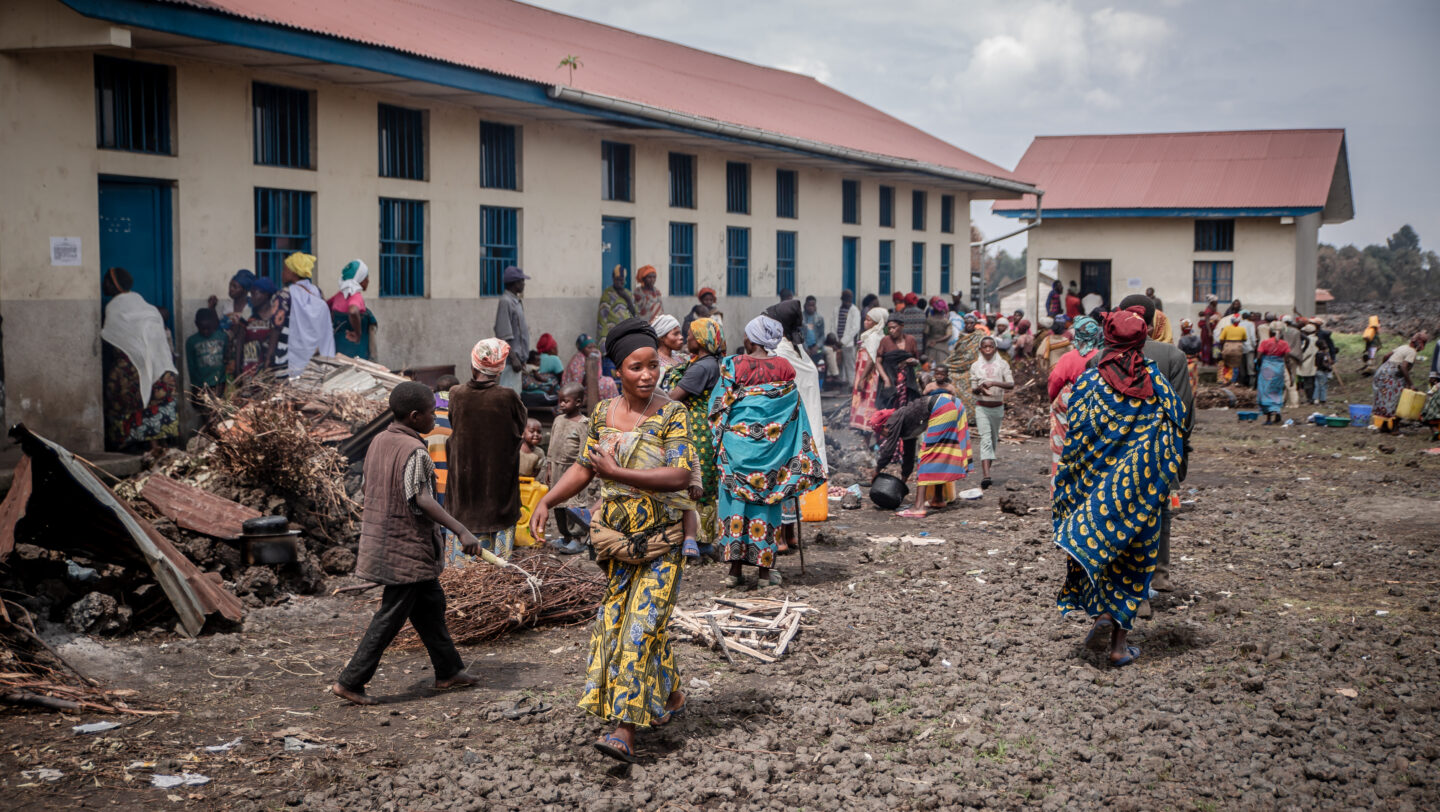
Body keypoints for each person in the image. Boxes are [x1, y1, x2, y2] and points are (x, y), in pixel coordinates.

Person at [528, 317, 696, 763]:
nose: (646, 375)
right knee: (622, 624)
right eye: (635, 368)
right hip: (617, 545)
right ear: (617, 371)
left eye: (653, 366)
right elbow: (584, 467)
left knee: (637, 631)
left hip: (662, 543)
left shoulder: (671, 413)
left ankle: (624, 728)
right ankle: (673, 695)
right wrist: (549, 499)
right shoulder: (602, 414)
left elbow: (680, 474)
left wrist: (618, 473)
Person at [331, 381, 481, 705]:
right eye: (432, 413)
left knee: (431, 605)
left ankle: (449, 671)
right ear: (415, 416)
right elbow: (423, 499)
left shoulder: (379, 441)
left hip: (383, 538)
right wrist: (461, 530)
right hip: (405, 546)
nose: (435, 418)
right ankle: (350, 681)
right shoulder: (415, 451)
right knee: (391, 616)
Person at [1054, 307, 1185, 668]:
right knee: (1133, 560)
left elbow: (1074, 437)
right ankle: (1118, 644)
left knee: (1103, 555)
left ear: (1107, 338)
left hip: (1096, 491)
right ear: (1143, 340)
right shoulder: (1156, 383)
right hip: (1141, 491)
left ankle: (1100, 616)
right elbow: (1178, 423)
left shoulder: (1089, 382)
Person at [710, 315, 826, 589]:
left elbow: (718, 406)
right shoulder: (784, 368)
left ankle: (734, 572)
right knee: (766, 506)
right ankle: (764, 575)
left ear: (750, 339)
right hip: (773, 454)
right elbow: (792, 407)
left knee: (735, 506)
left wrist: (725, 437)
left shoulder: (733, 365)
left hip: (737, 452)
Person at [446, 338, 528, 561]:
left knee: (462, 577)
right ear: (499, 370)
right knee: (496, 576)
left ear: (472, 366)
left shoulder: (456, 394)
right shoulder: (508, 397)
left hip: (463, 494)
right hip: (498, 494)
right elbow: (521, 426)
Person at [766, 299, 828, 552]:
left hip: (784, 422)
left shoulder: (778, 350)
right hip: (799, 423)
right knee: (790, 477)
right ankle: (790, 534)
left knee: (778, 478)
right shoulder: (796, 346)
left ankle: (780, 537)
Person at [663, 318, 726, 555]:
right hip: (708, 425)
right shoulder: (712, 363)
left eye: (690, 335)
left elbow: (673, 397)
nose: (687, 339)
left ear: (699, 340)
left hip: (697, 429)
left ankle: (700, 541)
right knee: (706, 483)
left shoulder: (701, 367)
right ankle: (703, 538)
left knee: (697, 483)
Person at [101, 267, 179, 452]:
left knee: (121, 394)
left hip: (130, 367)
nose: (103, 285)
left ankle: (135, 445)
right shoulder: (143, 304)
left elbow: (112, 337)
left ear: (113, 284)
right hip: (160, 366)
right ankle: (158, 446)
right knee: (155, 398)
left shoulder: (114, 307)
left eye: (106, 281)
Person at [896, 373, 970, 518]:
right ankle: (938, 498)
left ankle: (918, 507)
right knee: (941, 453)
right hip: (955, 404)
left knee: (927, 456)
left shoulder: (912, 408)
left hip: (945, 407)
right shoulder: (925, 397)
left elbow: (910, 436)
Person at [1047, 316, 1102, 491]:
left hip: (1068, 405)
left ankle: (1061, 489)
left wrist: (1053, 400)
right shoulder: (1103, 357)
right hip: (1095, 405)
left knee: (1062, 447)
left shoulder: (1068, 358)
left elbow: (1054, 381)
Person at [541, 383, 593, 555]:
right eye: (560, 401)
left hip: (573, 470)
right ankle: (566, 537)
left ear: (578, 402)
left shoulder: (583, 424)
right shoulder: (558, 420)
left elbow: (584, 450)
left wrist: (583, 471)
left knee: (573, 505)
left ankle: (578, 539)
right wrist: (549, 467)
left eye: (566, 401)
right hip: (556, 469)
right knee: (558, 503)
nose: (561, 404)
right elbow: (551, 446)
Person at [278, 252, 335, 378]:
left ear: (293, 272)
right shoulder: (317, 292)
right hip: (317, 351)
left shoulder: (286, 295)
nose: (282, 273)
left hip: (295, 351)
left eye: (285, 270)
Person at [970, 336, 1013, 489]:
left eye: (990, 346)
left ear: (994, 348)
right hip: (982, 407)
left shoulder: (1002, 364)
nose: (988, 349)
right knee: (986, 438)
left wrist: (993, 383)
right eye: (984, 347)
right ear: (980, 349)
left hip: (997, 407)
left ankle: (988, 468)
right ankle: (986, 476)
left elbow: (1010, 384)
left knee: (993, 441)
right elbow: (973, 388)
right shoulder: (975, 366)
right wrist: (980, 388)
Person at [491, 265, 531, 394]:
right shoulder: (506, 301)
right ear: (514, 283)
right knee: (508, 396)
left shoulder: (516, 301)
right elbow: (503, 335)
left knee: (514, 396)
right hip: (510, 362)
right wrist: (513, 358)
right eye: (521, 281)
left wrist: (522, 358)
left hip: (517, 361)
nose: (523, 284)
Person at [329, 259, 377, 360]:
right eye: (366, 277)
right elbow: (353, 310)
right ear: (360, 279)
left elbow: (325, 306)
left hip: (338, 349)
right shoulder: (355, 296)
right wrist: (357, 334)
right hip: (356, 352)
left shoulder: (339, 295)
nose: (368, 280)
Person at [850, 307, 888, 433]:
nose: (865, 322)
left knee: (867, 404)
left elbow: (871, 359)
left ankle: (868, 433)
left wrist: (862, 379)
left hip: (868, 376)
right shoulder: (872, 335)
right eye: (865, 319)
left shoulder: (873, 337)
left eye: (869, 320)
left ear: (877, 323)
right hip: (865, 374)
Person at [424, 374, 459, 506]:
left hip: (428, 493)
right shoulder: (463, 419)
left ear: (434, 390)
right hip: (456, 493)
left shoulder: (422, 420)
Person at [1373, 333, 1425, 421]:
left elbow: (1386, 356)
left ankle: (1384, 426)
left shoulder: (1403, 347)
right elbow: (1403, 367)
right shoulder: (1412, 351)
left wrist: (1384, 368)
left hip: (1381, 372)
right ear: (1420, 344)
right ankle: (1394, 428)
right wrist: (1410, 384)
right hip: (1392, 376)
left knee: (1384, 399)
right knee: (1397, 399)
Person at [185, 307, 228, 413]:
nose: (205, 331)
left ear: (213, 324)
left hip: (220, 385)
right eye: (202, 328)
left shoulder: (222, 337)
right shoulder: (191, 342)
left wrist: (223, 384)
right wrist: (197, 388)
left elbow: (227, 360)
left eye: (208, 328)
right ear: (196, 324)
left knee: (220, 413)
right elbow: (192, 367)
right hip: (202, 386)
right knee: (206, 414)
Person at [236, 277, 281, 376]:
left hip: (269, 367)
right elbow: (240, 340)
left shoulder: (276, 315)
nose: (251, 298)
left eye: (254, 294)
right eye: (251, 294)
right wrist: (237, 366)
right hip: (249, 366)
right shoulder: (248, 312)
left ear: (266, 294)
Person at [876, 315, 920, 412]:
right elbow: (878, 362)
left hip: (906, 379)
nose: (891, 331)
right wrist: (886, 379)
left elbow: (917, 361)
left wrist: (912, 361)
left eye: (894, 328)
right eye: (889, 328)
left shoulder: (911, 340)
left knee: (906, 405)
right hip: (890, 377)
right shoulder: (885, 341)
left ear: (902, 326)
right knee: (889, 404)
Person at [945, 313, 984, 422]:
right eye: (966, 323)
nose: (969, 325)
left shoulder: (980, 336)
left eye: (971, 323)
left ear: (975, 323)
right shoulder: (962, 336)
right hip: (960, 368)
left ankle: (972, 419)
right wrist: (948, 363)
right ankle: (959, 416)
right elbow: (957, 353)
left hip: (974, 369)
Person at [1256, 323, 1290, 424]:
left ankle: (1268, 418)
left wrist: (1259, 366)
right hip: (1279, 368)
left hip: (1267, 368)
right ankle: (1277, 413)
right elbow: (1287, 360)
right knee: (1276, 390)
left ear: (1270, 331)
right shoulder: (1285, 344)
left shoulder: (1265, 343)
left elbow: (1258, 357)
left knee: (1265, 391)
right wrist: (1291, 375)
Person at [596, 265, 636, 344]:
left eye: (621, 280)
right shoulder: (607, 294)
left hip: (626, 332)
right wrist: (603, 337)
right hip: (611, 332)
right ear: (613, 279)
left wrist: (627, 298)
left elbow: (634, 313)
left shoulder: (628, 294)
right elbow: (602, 318)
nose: (619, 282)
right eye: (617, 279)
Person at [834, 290, 861, 387]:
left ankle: (852, 384)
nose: (847, 303)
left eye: (849, 300)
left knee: (850, 365)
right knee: (839, 365)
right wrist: (835, 340)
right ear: (842, 300)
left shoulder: (855, 311)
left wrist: (843, 341)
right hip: (837, 342)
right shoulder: (837, 309)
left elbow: (855, 328)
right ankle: (843, 383)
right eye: (845, 300)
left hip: (848, 343)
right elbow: (833, 325)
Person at [1216, 314, 1248, 386]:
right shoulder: (1242, 329)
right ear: (1239, 321)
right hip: (1238, 347)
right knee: (1236, 365)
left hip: (1228, 346)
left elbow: (1221, 339)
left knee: (1227, 364)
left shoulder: (1226, 328)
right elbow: (1245, 339)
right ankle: (1233, 381)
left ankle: (1226, 380)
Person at [924, 298, 952, 368]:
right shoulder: (946, 322)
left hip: (930, 347)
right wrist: (937, 341)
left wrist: (932, 340)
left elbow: (926, 332)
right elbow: (948, 335)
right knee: (942, 368)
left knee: (929, 369)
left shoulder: (929, 320)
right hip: (943, 349)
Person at [1296, 323, 1319, 403]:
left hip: (1308, 363)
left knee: (1308, 382)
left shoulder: (1308, 340)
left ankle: (1309, 398)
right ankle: (1312, 397)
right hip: (1314, 362)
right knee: (1312, 381)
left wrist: (1299, 359)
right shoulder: (1316, 338)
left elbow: (1307, 352)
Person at [802, 296, 827, 372]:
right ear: (805, 306)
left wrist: (817, 346)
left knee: (820, 367)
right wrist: (806, 348)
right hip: (805, 349)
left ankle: (820, 382)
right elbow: (799, 335)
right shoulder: (800, 318)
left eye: (813, 305)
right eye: (809, 305)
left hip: (817, 349)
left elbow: (822, 336)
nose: (811, 308)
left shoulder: (819, 318)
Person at [1197, 295, 1219, 365]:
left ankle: (1213, 361)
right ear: (1212, 302)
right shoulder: (1208, 310)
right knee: (1207, 346)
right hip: (1207, 331)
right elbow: (1207, 321)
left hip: (1213, 331)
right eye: (1216, 301)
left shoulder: (1213, 308)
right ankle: (1206, 361)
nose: (1217, 303)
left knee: (1214, 345)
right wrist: (1209, 331)